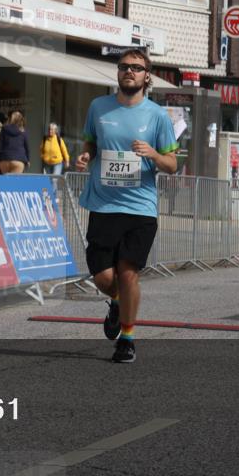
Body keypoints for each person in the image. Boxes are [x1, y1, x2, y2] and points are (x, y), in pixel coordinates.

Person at [75, 47, 178, 363]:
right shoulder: (99, 107)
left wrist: (154, 154)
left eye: (135, 67)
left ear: (147, 76)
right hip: (103, 206)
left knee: (128, 272)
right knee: (104, 278)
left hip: (140, 208)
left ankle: (128, 339)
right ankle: (118, 302)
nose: (128, 71)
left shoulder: (158, 115)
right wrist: (86, 156)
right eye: (123, 67)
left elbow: (172, 164)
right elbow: (91, 142)